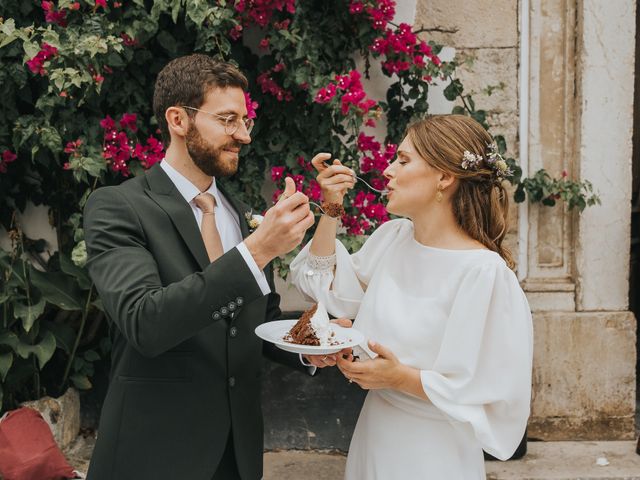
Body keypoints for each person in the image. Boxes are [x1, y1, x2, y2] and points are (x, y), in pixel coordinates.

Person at [83, 54, 314, 480]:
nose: (243, 135)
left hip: (237, 454)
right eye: (228, 120)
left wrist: (318, 348)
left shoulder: (240, 215)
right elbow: (145, 322)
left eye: (245, 121)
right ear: (178, 120)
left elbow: (255, 323)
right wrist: (256, 252)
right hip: (152, 455)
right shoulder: (119, 207)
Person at [291, 114, 533, 479]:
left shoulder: (484, 273)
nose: (388, 170)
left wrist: (400, 377)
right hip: (375, 433)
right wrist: (331, 207)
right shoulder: (394, 238)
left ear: (444, 177)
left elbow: (497, 393)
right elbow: (325, 286)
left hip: (433, 452)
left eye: (403, 160)